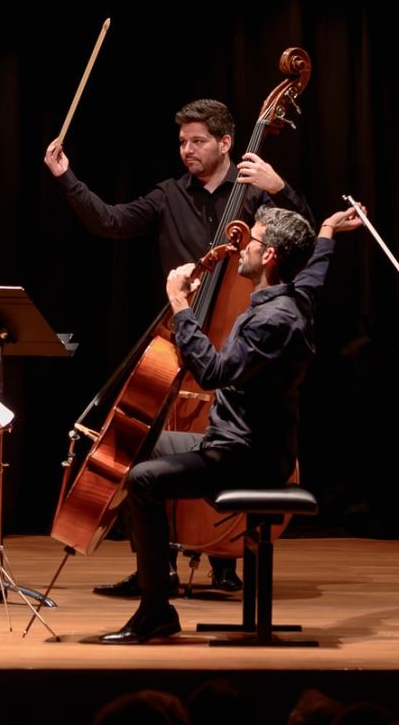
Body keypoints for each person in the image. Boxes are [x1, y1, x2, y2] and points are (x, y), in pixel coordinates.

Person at [45, 97, 311, 593]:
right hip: (182, 338)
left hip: (228, 339)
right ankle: (157, 566)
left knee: (216, 435)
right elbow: (111, 221)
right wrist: (67, 177)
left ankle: (226, 558)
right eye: (183, 142)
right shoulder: (169, 194)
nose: (187, 150)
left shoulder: (255, 194)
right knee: (141, 443)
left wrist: (280, 189)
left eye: (198, 141)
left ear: (226, 143)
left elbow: (300, 242)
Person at [101, 203, 363, 642]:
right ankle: (157, 568)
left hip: (246, 457)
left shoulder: (274, 321)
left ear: (272, 255)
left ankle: (155, 609)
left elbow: (214, 373)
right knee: (138, 442)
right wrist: (327, 231)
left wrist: (181, 306)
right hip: (233, 443)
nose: (242, 247)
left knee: (144, 481)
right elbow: (315, 270)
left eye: (253, 241)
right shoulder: (297, 295)